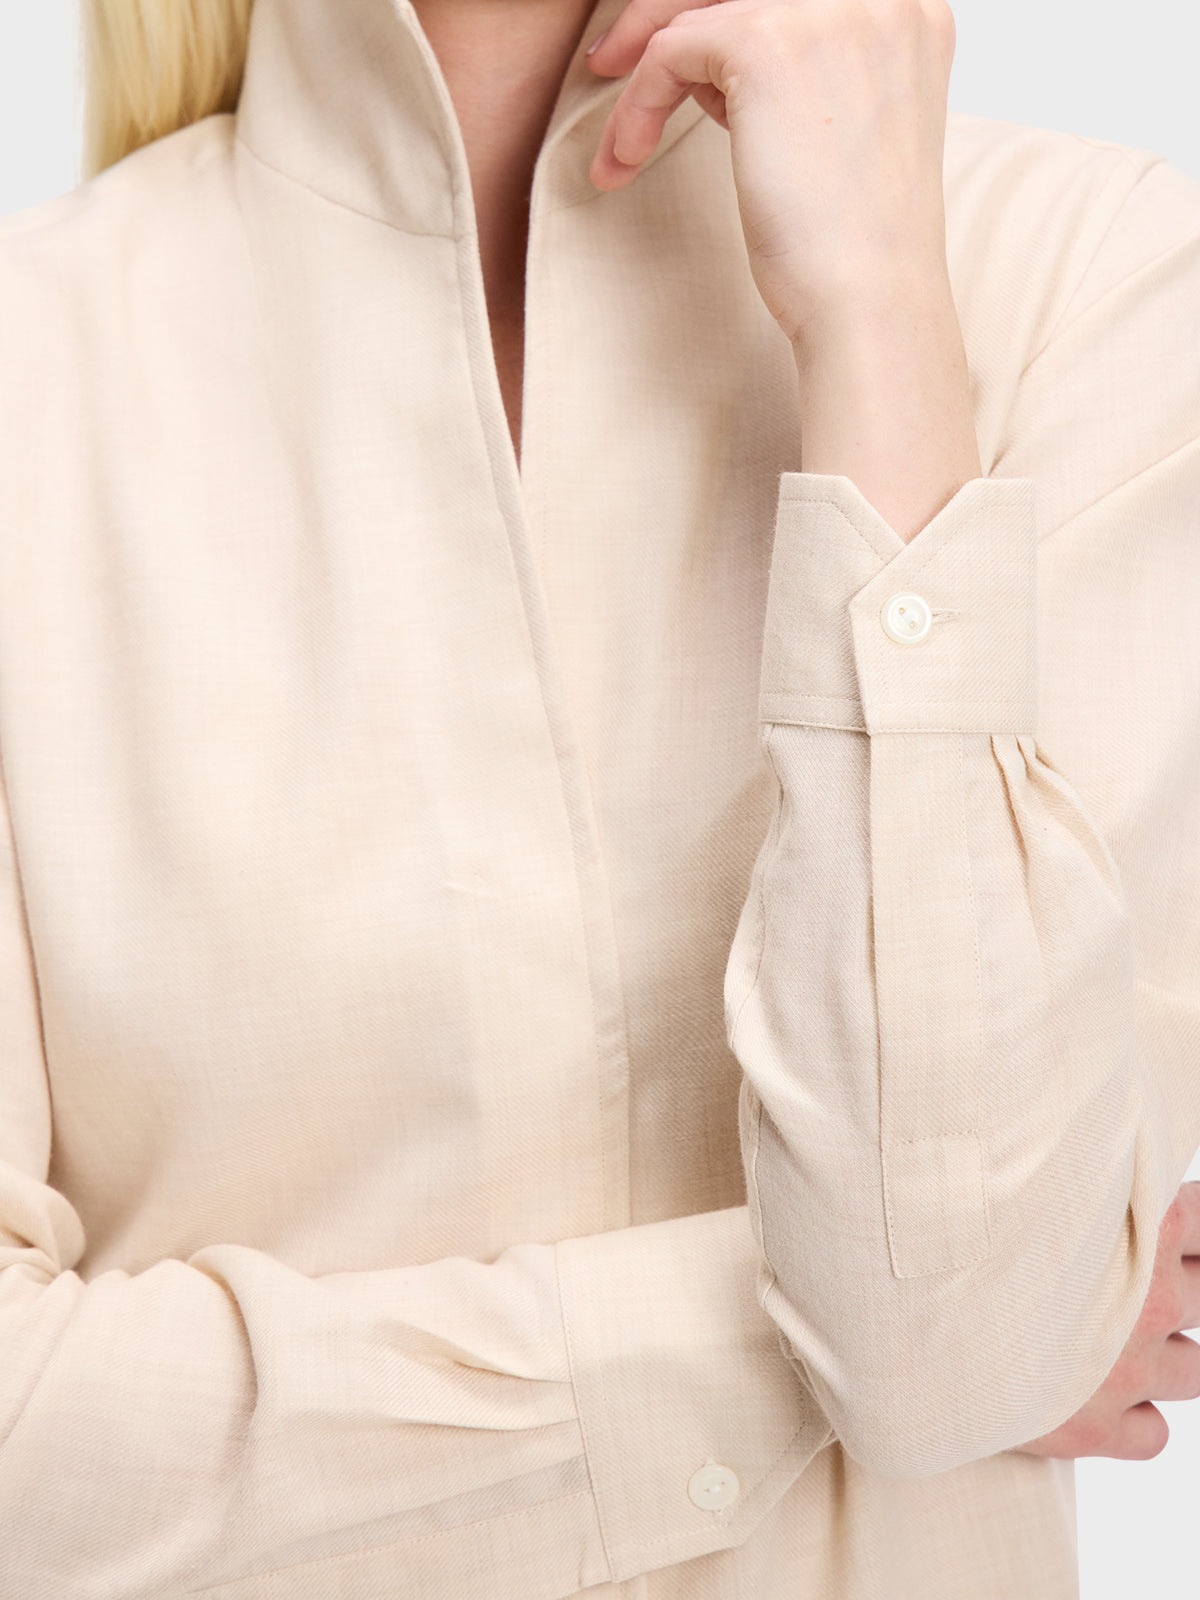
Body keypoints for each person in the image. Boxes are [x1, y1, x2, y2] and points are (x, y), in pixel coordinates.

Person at [0, 0, 1197, 1593]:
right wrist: (821, 1341)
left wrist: (880, 315)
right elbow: (971, 1330)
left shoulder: (1081, 278)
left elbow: (958, 1329)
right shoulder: (33, 372)